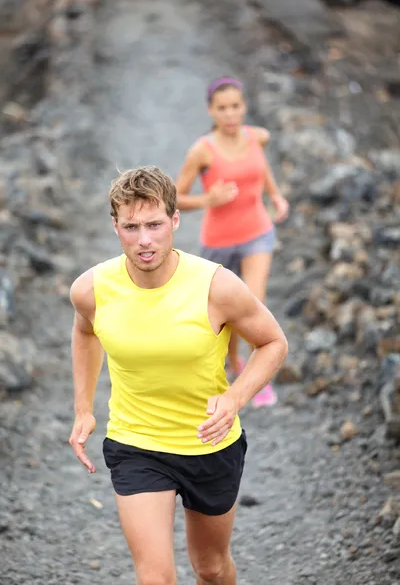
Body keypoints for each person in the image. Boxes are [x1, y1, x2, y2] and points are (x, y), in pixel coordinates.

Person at [69, 166, 288, 585]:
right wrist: (83, 408)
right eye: (131, 227)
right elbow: (84, 331)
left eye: (154, 224)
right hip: (136, 443)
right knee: (155, 578)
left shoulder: (216, 287)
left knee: (211, 567)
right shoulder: (92, 289)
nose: (144, 239)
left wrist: (235, 398)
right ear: (115, 226)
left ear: (174, 220)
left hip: (208, 444)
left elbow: (274, 342)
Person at [175, 76, 290, 408]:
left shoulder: (258, 136)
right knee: (227, 314)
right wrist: (207, 199)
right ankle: (230, 362)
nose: (230, 114)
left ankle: (253, 376)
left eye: (235, 106)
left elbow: (260, 166)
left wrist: (276, 195)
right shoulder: (202, 150)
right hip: (218, 242)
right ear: (211, 111)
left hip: (258, 232)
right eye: (222, 108)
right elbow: (175, 198)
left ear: (245, 107)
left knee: (253, 303)